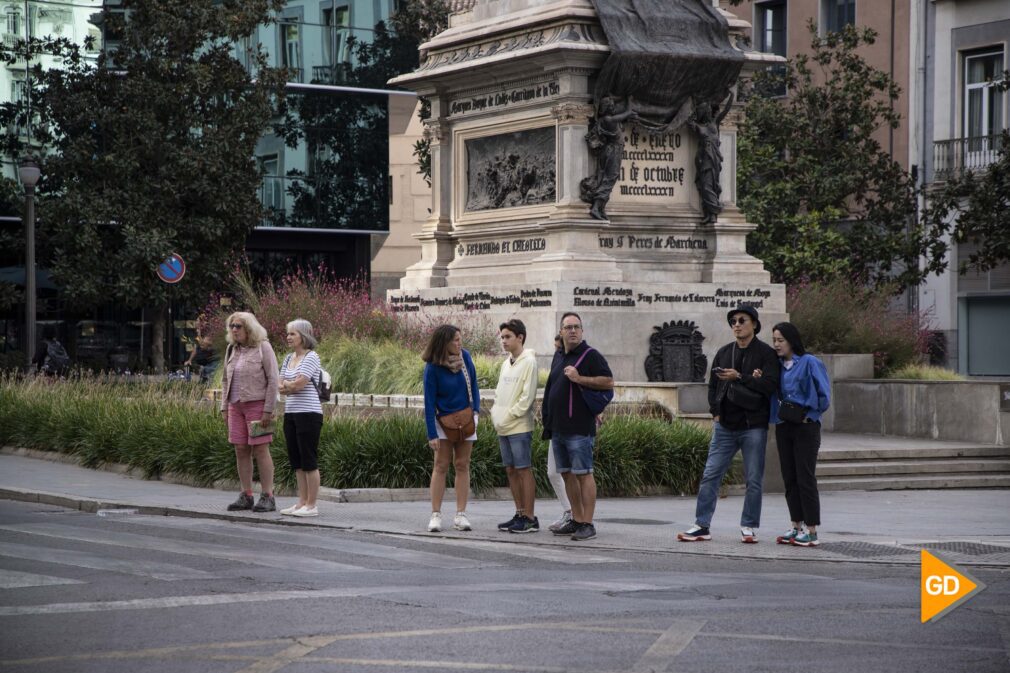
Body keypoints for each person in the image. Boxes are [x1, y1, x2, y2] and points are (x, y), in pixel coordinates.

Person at [678, 306, 779, 544]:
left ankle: (748, 526)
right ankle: (702, 525)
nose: (736, 324)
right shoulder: (725, 352)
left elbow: (770, 386)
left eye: (742, 320)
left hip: (753, 424)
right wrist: (715, 413)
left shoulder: (766, 354)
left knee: (753, 478)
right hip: (725, 425)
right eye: (733, 321)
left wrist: (742, 378)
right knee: (711, 474)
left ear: (754, 324)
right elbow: (713, 385)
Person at [541, 312, 614, 541]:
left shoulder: (591, 356)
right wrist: (547, 417)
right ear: (561, 332)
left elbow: (608, 381)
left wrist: (580, 378)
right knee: (567, 475)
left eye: (576, 327)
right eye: (568, 327)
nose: (572, 331)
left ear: (582, 331)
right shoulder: (559, 355)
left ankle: (588, 524)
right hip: (558, 427)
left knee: (584, 474)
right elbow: (551, 387)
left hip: (579, 427)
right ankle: (576, 519)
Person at [767, 322, 831, 547]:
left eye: (780, 340)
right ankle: (796, 525)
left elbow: (824, 395)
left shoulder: (810, 362)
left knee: (805, 477)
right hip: (784, 425)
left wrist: (809, 414)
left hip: (806, 426)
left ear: (792, 340)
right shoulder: (777, 365)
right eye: (774, 340)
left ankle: (812, 531)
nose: (776, 344)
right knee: (789, 477)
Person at [422, 324, 480, 533]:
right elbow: (429, 401)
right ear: (444, 342)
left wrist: (476, 412)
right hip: (442, 420)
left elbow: (474, 385)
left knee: (463, 464)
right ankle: (435, 514)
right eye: (455, 340)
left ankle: (461, 514)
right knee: (440, 465)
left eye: (459, 338)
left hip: (466, 418)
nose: (459, 342)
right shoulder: (432, 366)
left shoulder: (465, 357)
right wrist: (431, 432)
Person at [220, 312, 279, 513]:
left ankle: (268, 495)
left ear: (249, 328)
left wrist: (268, 409)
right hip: (235, 405)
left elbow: (273, 379)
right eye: (232, 326)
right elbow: (225, 380)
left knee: (261, 449)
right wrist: (223, 406)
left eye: (238, 326)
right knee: (240, 449)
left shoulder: (263, 347)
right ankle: (246, 494)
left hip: (257, 405)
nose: (234, 330)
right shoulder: (231, 349)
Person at [491, 319, 540, 534]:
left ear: (520, 337)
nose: (504, 341)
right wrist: (496, 414)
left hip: (519, 426)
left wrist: (508, 416)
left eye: (508, 336)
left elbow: (527, 398)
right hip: (503, 426)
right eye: (502, 337)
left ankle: (529, 517)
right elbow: (499, 393)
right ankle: (519, 513)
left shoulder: (529, 362)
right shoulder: (505, 363)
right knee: (510, 470)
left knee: (523, 470)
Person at [278, 319, 325, 518]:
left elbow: (300, 384)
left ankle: (312, 504)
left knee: (309, 459)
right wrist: (290, 385)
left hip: (309, 413)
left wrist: (290, 385)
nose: (288, 337)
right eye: (288, 334)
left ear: (304, 336)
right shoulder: (288, 359)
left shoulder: (311, 356)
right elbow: (280, 385)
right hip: (291, 413)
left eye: (293, 334)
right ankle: (302, 502)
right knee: (296, 461)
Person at [546, 333, 573, 532]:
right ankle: (570, 512)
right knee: (553, 472)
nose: (557, 350)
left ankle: (576, 516)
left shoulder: (577, 359)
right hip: (555, 425)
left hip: (573, 427)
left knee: (573, 474)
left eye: (559, 347)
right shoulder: (558, 358)